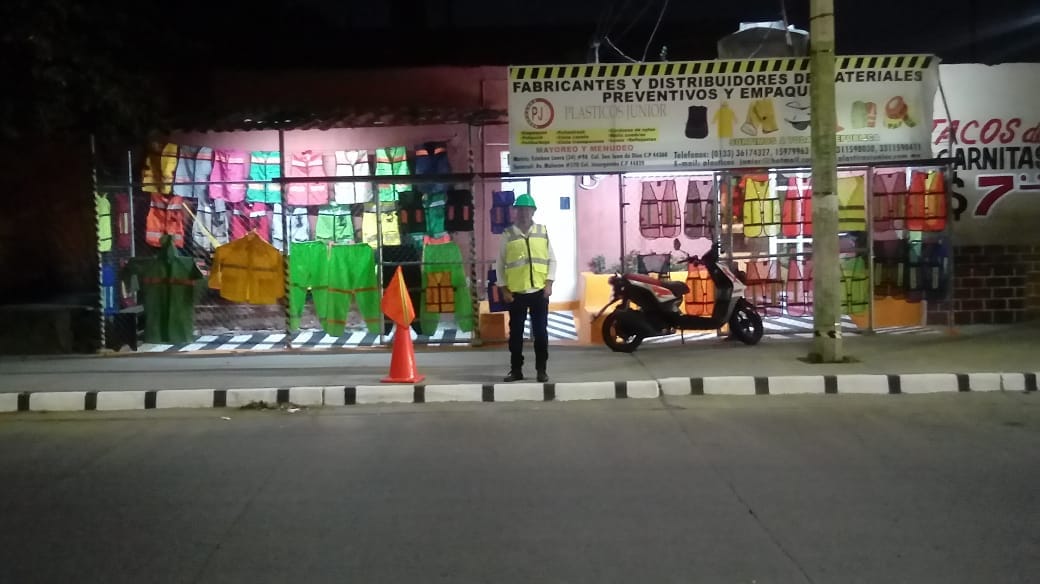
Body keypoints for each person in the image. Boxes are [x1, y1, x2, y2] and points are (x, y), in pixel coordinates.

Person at [497, 194, 557, 383]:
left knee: (541, 333)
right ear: (515, 211)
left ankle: (541, 370)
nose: (524, 213)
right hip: (516, 293)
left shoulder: (542, 231)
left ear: (533, 211)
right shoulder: (508, 234)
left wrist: (549, 283)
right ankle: (516, 370)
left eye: (527, 209)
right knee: (515, 334)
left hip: (539, 291)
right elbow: (500, 264)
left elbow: (552, 260)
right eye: (520, 209)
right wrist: (504, 289)